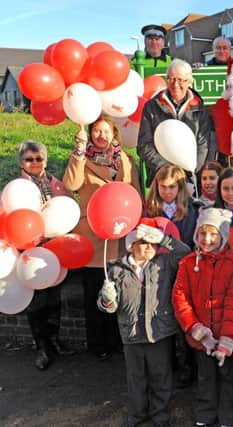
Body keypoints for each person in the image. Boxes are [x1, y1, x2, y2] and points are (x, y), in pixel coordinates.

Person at [63, 114, 140, 360]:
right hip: (93, 235)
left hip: (119, 235)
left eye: (106, 131)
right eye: (96, 131)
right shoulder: (83, 160)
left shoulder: (125, 161)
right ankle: (98, 345)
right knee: (94, 292)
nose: (101, 135)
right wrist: (77, 153)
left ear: (114, 134)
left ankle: (117, 341)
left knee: (118, 291)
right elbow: (71, 184)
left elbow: (135, 193)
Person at [98, 222, 190, 427]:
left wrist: (164, 239)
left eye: (154, 243)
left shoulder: (163, 263)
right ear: (131, 245)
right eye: (144, 243)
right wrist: (107, 300)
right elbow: (108, 307)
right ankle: (138, 415)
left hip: (158, 333)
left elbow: (185, 253)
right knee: (136, 378)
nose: (150, 247)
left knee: (161, 377)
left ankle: (161, 416)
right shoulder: (116, 269)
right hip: (131, 334)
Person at [172, 208, 233, 427]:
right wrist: (195, 327)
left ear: (222, 236)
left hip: (225, 336)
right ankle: (206, 412)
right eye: (203, 233)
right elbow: (180, 297)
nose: (207, 239)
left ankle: (227, 415)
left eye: (213, 234)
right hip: (202, 335)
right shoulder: (187, 263)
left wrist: (228, 338)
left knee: (228, 378)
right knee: (205, 377)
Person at [16, 141, 75, 370]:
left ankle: (54, 339)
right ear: (22, 162)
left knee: (54, 298)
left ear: (45, 160)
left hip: (55, 248)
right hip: (31, 248)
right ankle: (41, 346)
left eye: (38, 158)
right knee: (37, 300)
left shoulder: (55, 183)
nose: (34, 163)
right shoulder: (18, 187)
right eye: (29, 159)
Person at [138, 58, 212, 186]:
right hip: (161, 178)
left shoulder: (199, 108)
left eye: (181, 80)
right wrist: (167, 170)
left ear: (189, 82)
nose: (175, 84)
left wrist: (189, 171)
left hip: (190, 179)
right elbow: (145, 145)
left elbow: (203, 145)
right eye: (171, 79)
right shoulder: (151, 107)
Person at [144, 164, 199, 249]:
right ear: (157, 186)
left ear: (180, 187)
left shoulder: (193, 209)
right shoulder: (148, 209)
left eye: (172, 187)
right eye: (163, 186)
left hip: (183, 257)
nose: (167, 191)